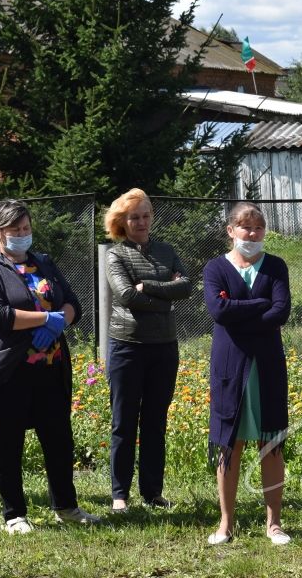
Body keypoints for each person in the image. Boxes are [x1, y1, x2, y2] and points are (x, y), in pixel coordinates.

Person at [0, 199, 99, 533]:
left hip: (51, 367)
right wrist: (46, 318)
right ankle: (14, 514)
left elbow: (73, 303)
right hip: (10, 371)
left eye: (26, 229)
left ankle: (67, 507)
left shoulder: (43, 262)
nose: (22, 235)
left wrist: (60, 321)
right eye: (15, 230)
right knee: (8, 442)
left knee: (59, 440)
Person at [203, 202, 292, 546]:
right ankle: (226, 523)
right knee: (229, 444)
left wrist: (241, 313)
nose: (252, 234)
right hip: (230, 368)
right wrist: (259, 306)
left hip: (267, 366)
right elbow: (218, 310)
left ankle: (274, 523)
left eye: (257, 228)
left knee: (271, 442)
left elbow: (281, 311)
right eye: (245, 227)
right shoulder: (215, 268)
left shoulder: (276, 267)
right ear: (231, 231)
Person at [104, 188, 191, 513]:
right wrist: (164, 296)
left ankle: (152, 493)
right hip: (127, 347)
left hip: (164, 348)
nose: (140, 222)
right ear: (122, 222)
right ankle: (119, 495)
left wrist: (150, 288)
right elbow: (126, 296)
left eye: (145, 216)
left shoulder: (166, 251)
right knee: (123, 423)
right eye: (133, 217)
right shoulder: (115, 255)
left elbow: (186, 287)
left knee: (156, 422)